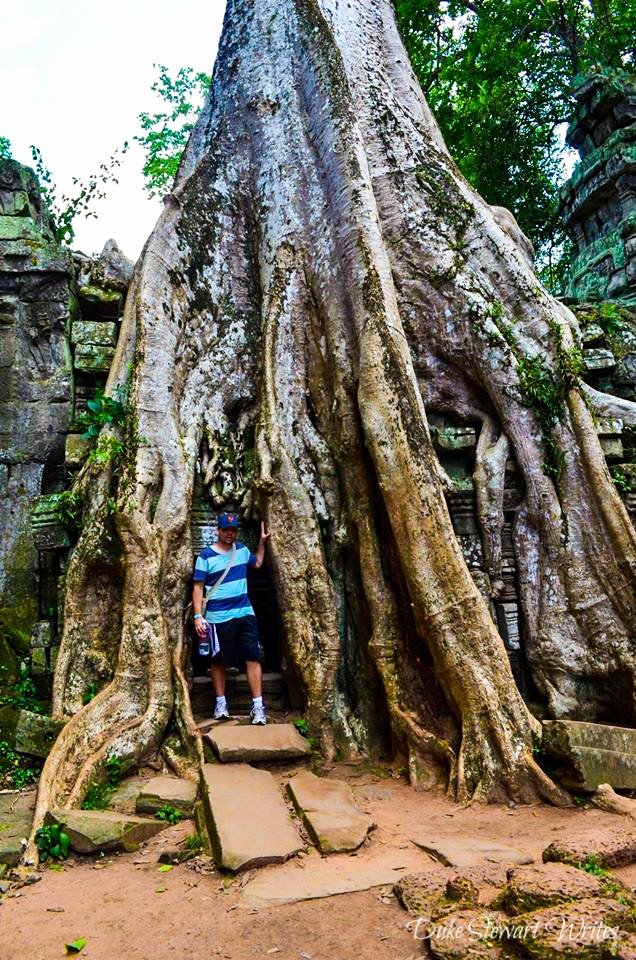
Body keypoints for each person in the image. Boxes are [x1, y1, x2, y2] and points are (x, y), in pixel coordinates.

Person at [192, 512, 271, 724]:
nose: (230, 533)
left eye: (233, 530)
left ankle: (257, 707)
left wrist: (262, 542)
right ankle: (220, 703)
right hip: (217, 617)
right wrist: (198, 616)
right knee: (219, 660)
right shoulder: (205, 557)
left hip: (245, 613)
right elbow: (198, 588)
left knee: (253, 656)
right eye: (226, 530)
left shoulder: (243, 551)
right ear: (217, 530)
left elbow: (258, 563)